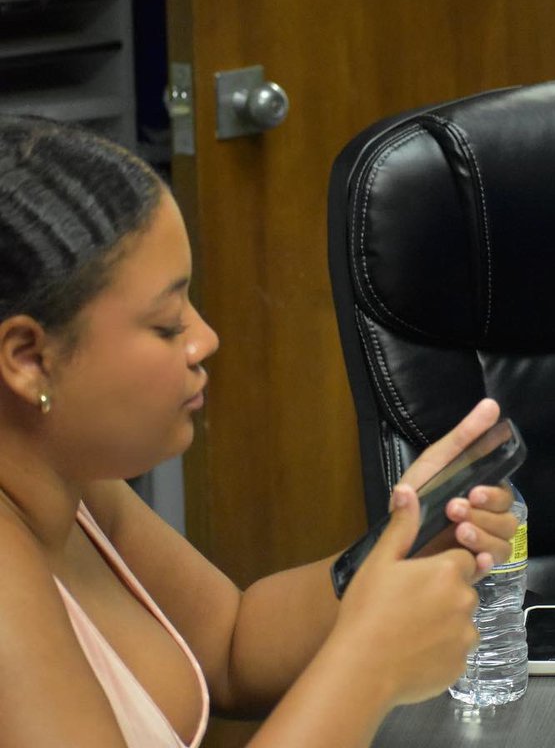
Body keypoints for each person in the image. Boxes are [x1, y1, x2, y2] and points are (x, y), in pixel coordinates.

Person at [0, 115, 519, 746]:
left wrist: (400, 549)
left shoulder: (66, 482)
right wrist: (370, 665)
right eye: (167, 324)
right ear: (29, 358)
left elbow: (231, 644)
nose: (205, 340)